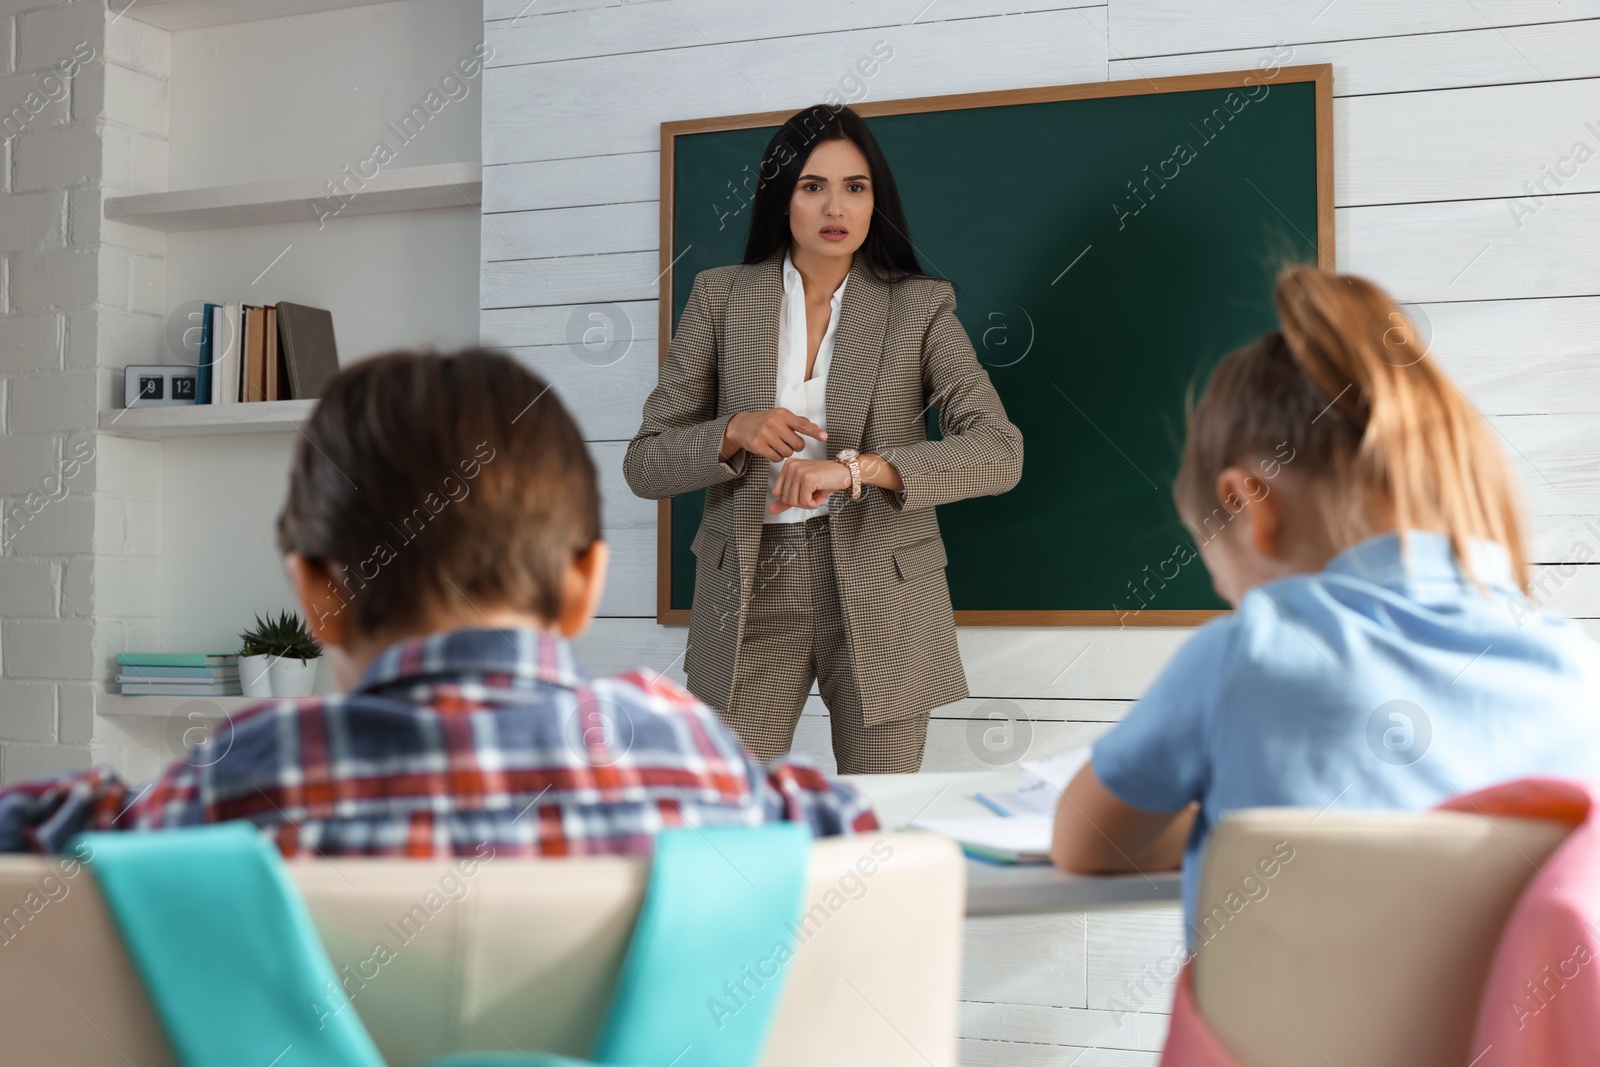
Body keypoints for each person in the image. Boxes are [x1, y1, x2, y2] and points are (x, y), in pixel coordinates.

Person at [0, 348, 878, 856]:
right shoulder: (680, 752)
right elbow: (840, 820)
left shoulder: (238, 781)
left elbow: (60, 826)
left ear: (317, 595)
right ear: (583, 584)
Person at [1049, 264, 1600, 942]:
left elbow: (1086, 841)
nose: (1231, 596)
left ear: (1247, 505)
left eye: (1221, 572)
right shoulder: (1573, 666)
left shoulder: (1247, 651)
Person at [624, 103, 1024, 775]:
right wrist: (732, 431)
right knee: (729, 807)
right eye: (813, 186)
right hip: (751, 588)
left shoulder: (919, 307)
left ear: (875, 201)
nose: (835, 206)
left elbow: (999, 450)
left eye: (855, 187)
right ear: (782, 199)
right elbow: (645, 463)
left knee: (879, 822)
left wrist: (859, 469)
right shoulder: (720, 298)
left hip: (883, 586)